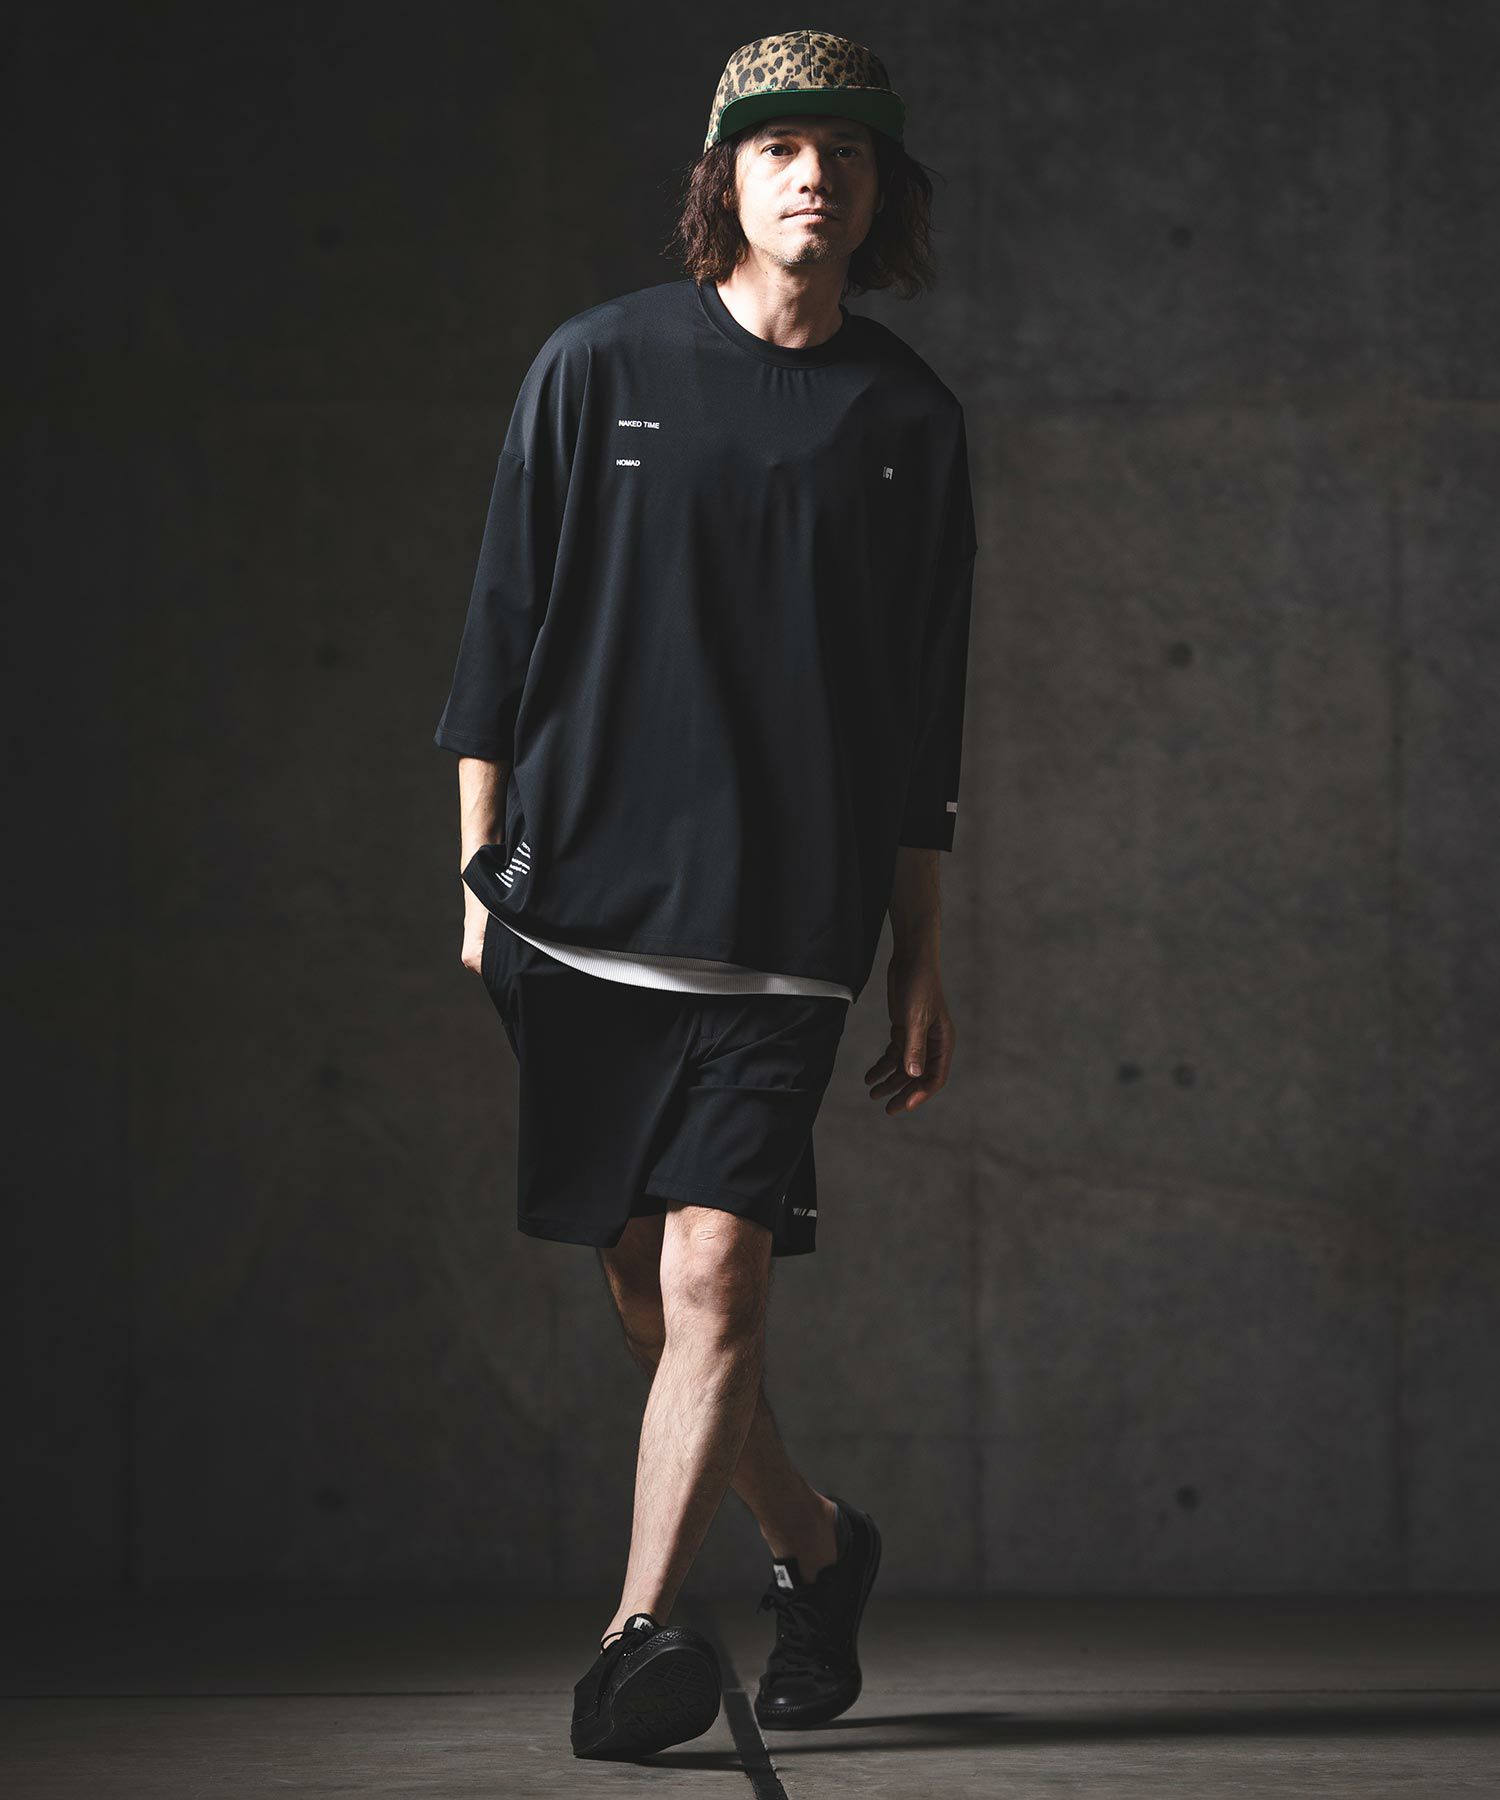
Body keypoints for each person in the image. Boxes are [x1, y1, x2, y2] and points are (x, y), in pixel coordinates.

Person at [433, 27, 978, 1761]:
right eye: (782, 147)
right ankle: (814, 1546)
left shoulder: (909, 418)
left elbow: (925, 711)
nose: (816, 175)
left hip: (788, 924)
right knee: (641, 1283)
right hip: (581, 904)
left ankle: (641, 1638)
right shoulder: (597, 364)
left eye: (848, 152)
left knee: (718, 1273)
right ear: (725, 179)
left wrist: (917, 952)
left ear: (882, 191)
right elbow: (502, 624)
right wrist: (479, 869)